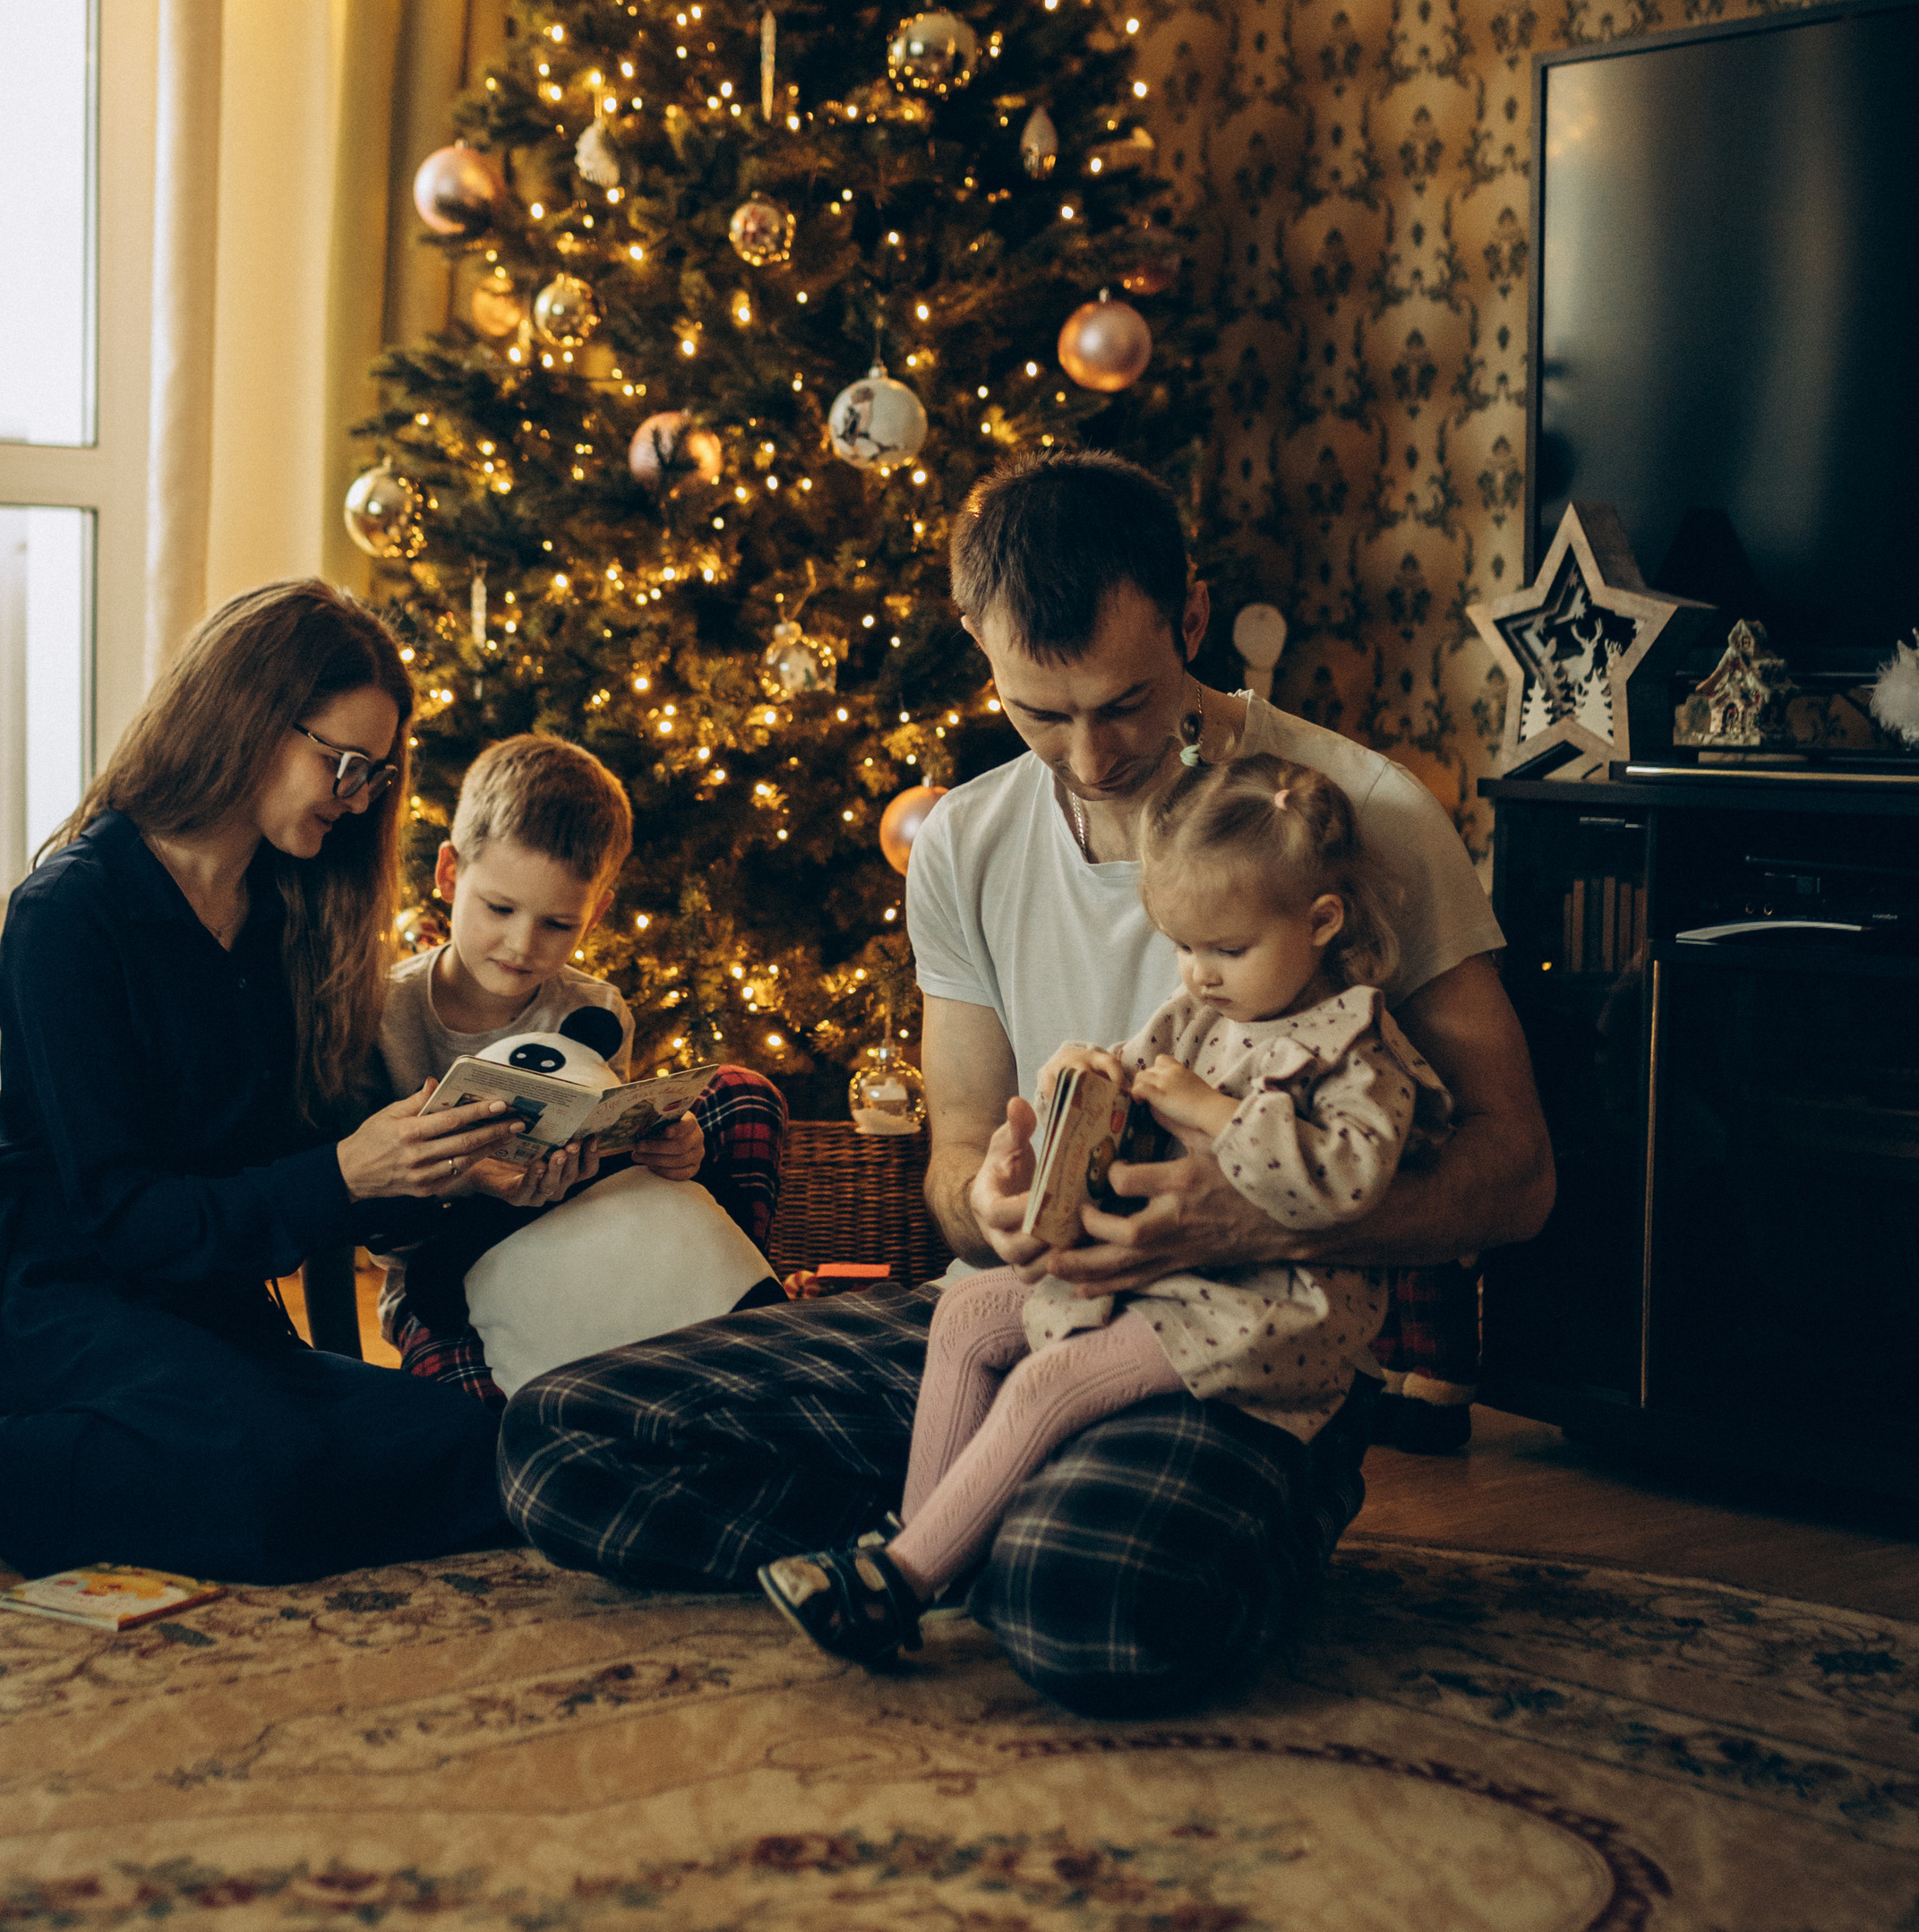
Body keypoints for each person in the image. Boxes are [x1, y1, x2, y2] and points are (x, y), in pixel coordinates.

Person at [499, 451, 1554, 1715]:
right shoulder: (961, 840)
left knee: (1090, 1611)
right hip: (1019, 1315)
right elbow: (951, 1172)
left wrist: (1248, 1211)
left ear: (1194, 621)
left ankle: (994, 1536)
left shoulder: (1360, 817)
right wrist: (989, 1204)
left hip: (1239, 1349)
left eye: (1126, 703)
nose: (1092, 756)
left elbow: (1518, 1176)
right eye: (1039, 714)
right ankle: (960, 1531)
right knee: (557, 1441)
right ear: (979, 650)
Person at [0, 580, 590, 1587]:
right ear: (248, 719)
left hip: (206, 1309)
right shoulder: (70, 914)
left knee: (467, 1445)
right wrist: (346, 1171)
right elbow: (121, 1214)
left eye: (375, 771)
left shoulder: (292, 910)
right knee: (258, 1475)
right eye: (340, 762)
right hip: (59, 1294)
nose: (358, 795)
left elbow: (308, 1171)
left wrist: (452, 1175)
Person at [758, 752, 1451, 1662]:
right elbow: (1129, 1066)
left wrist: (1213, 1112)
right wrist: (1079, 1074)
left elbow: (1346, 1183)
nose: (1197, 974)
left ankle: (903, 1579)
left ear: (1319, 921)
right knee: (968, 1312)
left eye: (1226, 949)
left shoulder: (1353, 1048)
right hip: (1159, 1280)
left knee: (1048, 1380)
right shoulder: (1203, 1009)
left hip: (1265, 1307)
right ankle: (921, 1554)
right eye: (1183, 946)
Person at [372, 734, 785, 1404]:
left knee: (742, 1099)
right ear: (449, 873)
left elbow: (612, 1152)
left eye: (558, 924)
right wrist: (473, 1178)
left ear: (596, 911)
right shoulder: (384, 1014)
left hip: (595, 1253)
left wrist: (672, 1150)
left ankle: (731, 1304)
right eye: (499, 908)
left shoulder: (597, 1010)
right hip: (445, 1279)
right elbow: (369, 1213)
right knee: (469, 1424)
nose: (521, 945)